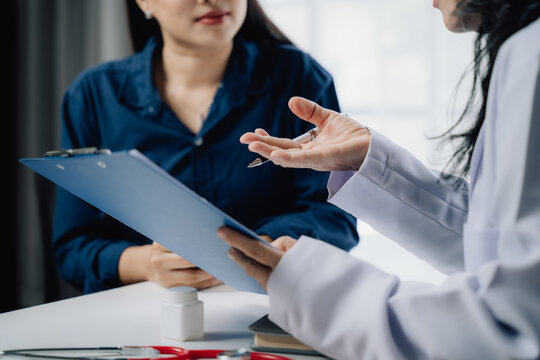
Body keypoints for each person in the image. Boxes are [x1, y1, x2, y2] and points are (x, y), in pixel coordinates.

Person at [218, 0, 540, 358]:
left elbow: (511, 329)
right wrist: (372, 164)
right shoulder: (525, 48)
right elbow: (497, 242)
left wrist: (313, 288)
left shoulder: (530, 54)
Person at [52, 0, 359, 295]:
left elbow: (336, 217)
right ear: (144, 2)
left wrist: (259, 248)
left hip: (273, 305)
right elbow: (73, 246)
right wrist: (146, 264)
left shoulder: (299, 77)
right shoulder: (93, 95)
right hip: (146, 316)